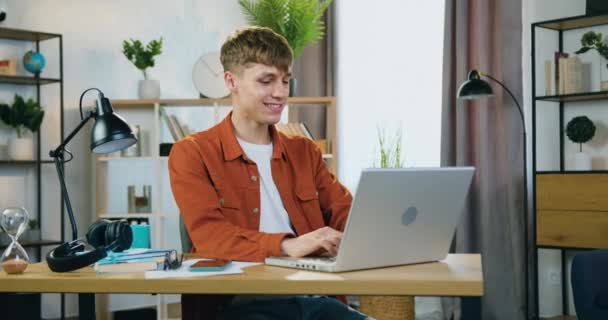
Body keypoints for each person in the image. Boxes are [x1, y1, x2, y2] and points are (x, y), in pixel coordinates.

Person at [169, 26, 368, 320]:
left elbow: (342, 210)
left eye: (285, 81)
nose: (280, 93)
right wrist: (287, 245)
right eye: (266, 81)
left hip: (316, 299)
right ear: (231, 81)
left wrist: (370, 232)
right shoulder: (193, 152)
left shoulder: (304, 151)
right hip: (242, 305)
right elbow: (211, 237)